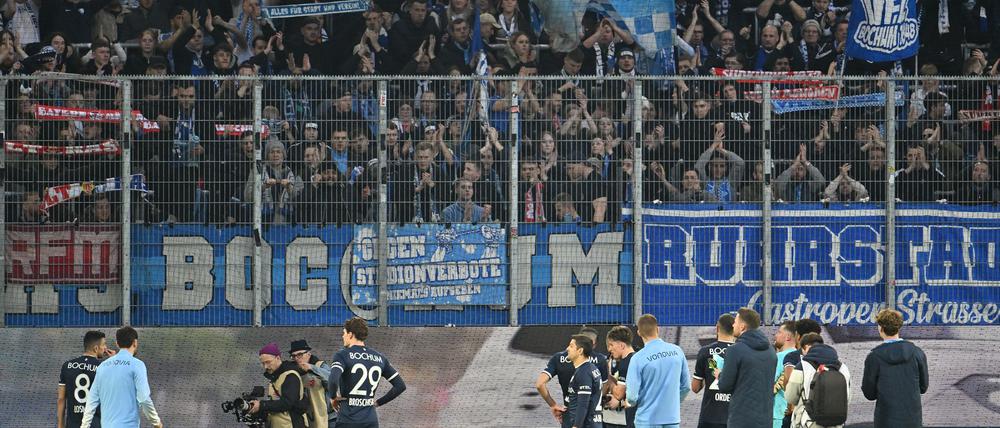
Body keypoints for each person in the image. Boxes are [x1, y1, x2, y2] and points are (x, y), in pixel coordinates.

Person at [327, 317, 407, 428]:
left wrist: (333, 397)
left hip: (348, 419)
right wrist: (378, 402)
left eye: (344, 333)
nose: (343, 336)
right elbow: (400, 386)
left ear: (350, 334)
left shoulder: (342, 355)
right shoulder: (380, 358)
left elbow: (333, 379)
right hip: (370, 420)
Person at [80, 327, 162, 428]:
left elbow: (92, 401)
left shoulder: (103, 367)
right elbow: (144, 399)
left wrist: (84, 426)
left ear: (117, 344)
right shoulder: (137, 365)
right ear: (135, 342)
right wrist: (156, 422)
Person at [862, 309, 929, 428]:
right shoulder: (917, 353)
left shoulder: (874, 357)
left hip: (885, 420)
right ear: (898, 328)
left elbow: (869, 393)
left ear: (881, 328)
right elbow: (923, 387)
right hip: (912, 420)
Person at [624, 314, 690, 428]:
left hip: (647, 420)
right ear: (658, 329)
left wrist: (632, 403)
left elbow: (631, 396)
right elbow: (686, 386)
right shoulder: (677, 351)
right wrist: (672, 403)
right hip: (672, 418)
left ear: (639, 333)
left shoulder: (637, 358)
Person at [536, 327, 611, 424]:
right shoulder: (600, 360)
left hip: (570, 414)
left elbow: (539, 384)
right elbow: (604, 387)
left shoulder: (558, 358)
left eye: (571, 345)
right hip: (593, 417)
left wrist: (553, 405)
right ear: (594, 344)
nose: (568, 348)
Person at [716, 308, 776, 428]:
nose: (733, 324)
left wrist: (720, 375)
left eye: (736, 321)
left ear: (742, 326)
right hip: (766, 420)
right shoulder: (771, 351)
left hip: (741, 420)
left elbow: (725, 386)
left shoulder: (735, 350)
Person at [785, 333, 851, 428]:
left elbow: (790, 397)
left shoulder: (802, 366)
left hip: (809, 422)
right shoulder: (843, 367)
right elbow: (847, 397)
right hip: (836, 423)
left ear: (806, 347)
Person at [59, 331, 115, 428]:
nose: (106, 348)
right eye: (104, 344)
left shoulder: (67, 366)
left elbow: (61, 399)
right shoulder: (103, 368)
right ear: (96, 348)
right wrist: (114, 361)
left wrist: (60, 425)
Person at [691, 313, 736, 428]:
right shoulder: (742, 352)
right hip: (735, 417)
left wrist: (709, 373)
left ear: (717, 328)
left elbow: (695, 388)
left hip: (710, 417)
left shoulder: (705, 351)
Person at [250, 343, 309, 428]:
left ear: (278, 358)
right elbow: (276, 402)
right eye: (263, 363)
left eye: (268, 362)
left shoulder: (290, 376)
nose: (265, 366)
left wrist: (262, 405)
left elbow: (287, 403)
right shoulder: (275, 377)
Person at [562, 334, 604, 428]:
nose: (567, 348)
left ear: (580, 351)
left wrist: (576, 426)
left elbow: (583, 404)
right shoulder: (590, 368)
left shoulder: (583, 372)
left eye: (571, 346)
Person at [291, 339, 335, 428]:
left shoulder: (319, 365)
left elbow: (333, 380)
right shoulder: (294, 371)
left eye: (300, 354)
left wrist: (312, 368)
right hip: (309, 418)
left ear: (308, 354)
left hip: (329, 417)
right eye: (293, 356)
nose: (296, 358)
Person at [603, 326, 636, 428]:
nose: (609, 349)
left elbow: (618, 394)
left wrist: (606, 374)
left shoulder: (626, 363)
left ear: (621, 345)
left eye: (611, 345)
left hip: (633, 418)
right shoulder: (637, 358)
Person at [773, 321, 797, 428]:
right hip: (796, 416)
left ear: (787, 337)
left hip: (778, 414)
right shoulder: (802, 357)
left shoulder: (779, 358)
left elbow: (768, 386)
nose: (775, 335)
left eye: (779, 332)